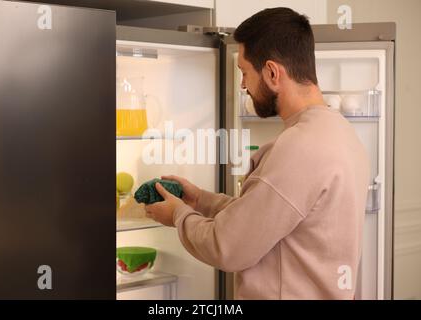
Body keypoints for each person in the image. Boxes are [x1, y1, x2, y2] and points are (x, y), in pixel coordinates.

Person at [145, 7, 370, 300]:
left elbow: (228, 246)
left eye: (244, 72)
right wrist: (201, 200)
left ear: (273, 72)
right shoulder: (341, 132)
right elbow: (265, 220)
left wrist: (177, 215)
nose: (242, 85)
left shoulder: (300, 148)